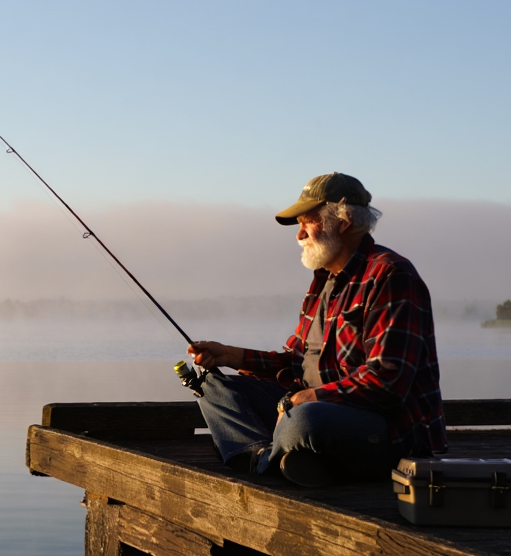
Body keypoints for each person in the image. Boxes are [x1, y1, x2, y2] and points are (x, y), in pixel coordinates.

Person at [188, 173, 445, 487]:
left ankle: (274, 459)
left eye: (307, 222)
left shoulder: (390, 275)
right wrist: (230, 355)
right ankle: (271, 457)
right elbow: (297, 363)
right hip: (312, 413)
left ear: (344, 222)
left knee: (306, 421)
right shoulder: (321, 283)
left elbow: (388, 381)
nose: (299, 235)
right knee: (213, 388)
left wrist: (302, 400)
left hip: (386, 434)